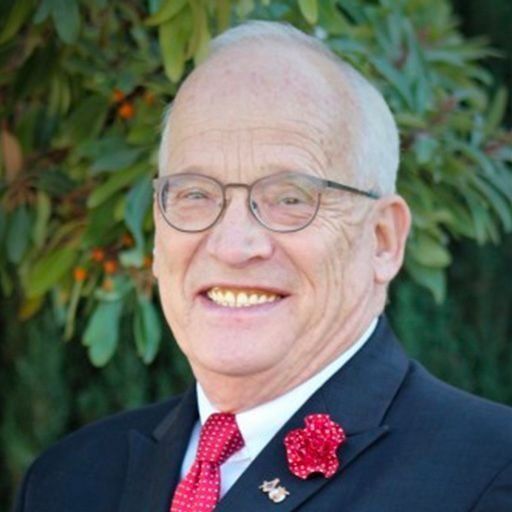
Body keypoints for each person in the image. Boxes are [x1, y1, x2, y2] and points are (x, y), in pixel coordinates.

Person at [13, 21, 512, 512]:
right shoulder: (66, 481)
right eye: (195, 194)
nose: (233, 246)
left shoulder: (491, 477)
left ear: (382, 240)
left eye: (290, 198)